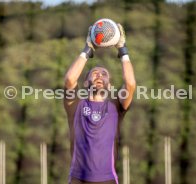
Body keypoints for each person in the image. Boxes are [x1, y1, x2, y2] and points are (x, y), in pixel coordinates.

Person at [64, 24, 136, 184]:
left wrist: (122, 49)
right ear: (85, 83)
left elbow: (130, 83)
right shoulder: (75, 106)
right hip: (77, 179)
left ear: (109, 86)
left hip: (107, 180)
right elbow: (69, 79)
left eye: (104, 74)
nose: (99, 76)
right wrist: (88, 48)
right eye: (94, 73)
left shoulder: (116, 107)